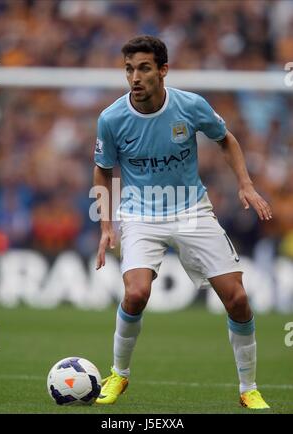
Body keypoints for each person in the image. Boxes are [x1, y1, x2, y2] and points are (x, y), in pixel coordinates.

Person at [93, 35, 272, 409]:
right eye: (129, 69)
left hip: (191, 211)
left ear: (163, 70)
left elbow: (226, 139)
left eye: (143, 68)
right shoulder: (111, 119)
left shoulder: (190, 106)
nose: (135, 78)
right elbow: (103, 170)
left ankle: (248, 388)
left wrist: (245, 185)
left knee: (237, 299)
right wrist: (107, 226)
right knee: (136, 293)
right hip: (141, 214)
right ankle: (119, 375)